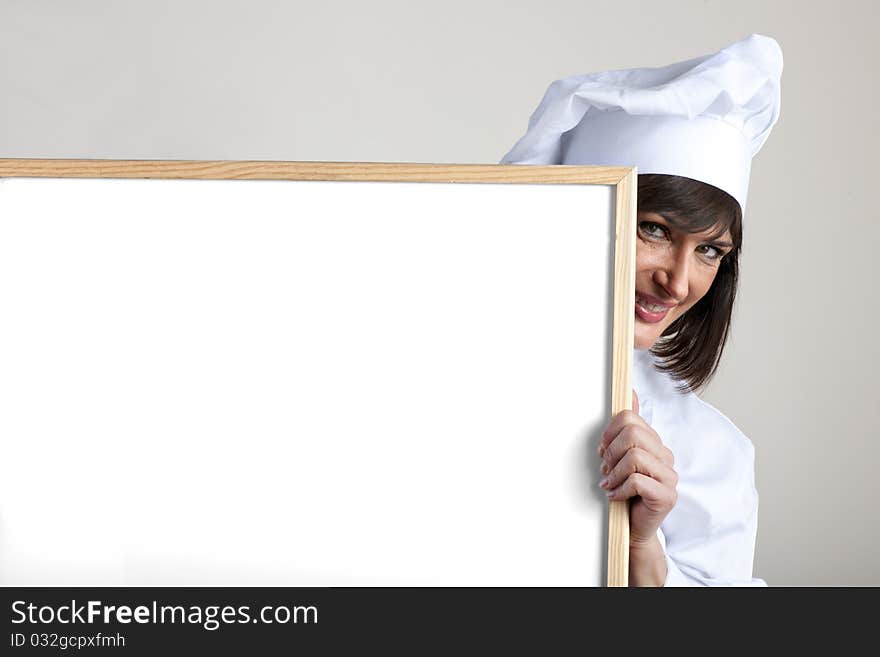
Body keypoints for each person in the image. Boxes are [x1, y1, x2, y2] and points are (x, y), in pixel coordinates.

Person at [500, 34, 783, 586]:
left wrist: (641, 545)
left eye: (708, 251)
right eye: (654, 230)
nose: (677, 282)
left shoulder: (711, 454)